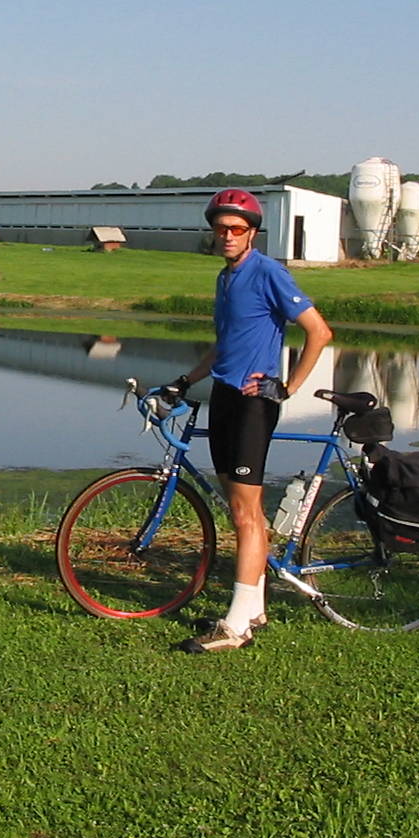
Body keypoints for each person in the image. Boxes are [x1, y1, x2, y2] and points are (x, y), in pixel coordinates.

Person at [163, 188, 333, 653]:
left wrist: (288, 387)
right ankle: (253, 607)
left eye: (236, 229)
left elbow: (319, 332)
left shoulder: (268, 272)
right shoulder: (225, 278)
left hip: (253, 402)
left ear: (253, 233)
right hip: (224, 395)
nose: (227, 236)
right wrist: (185, 379)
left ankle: (235, 627)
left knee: (243, 514)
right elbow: (226, 341)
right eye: (220, 229)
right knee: (248, 511)